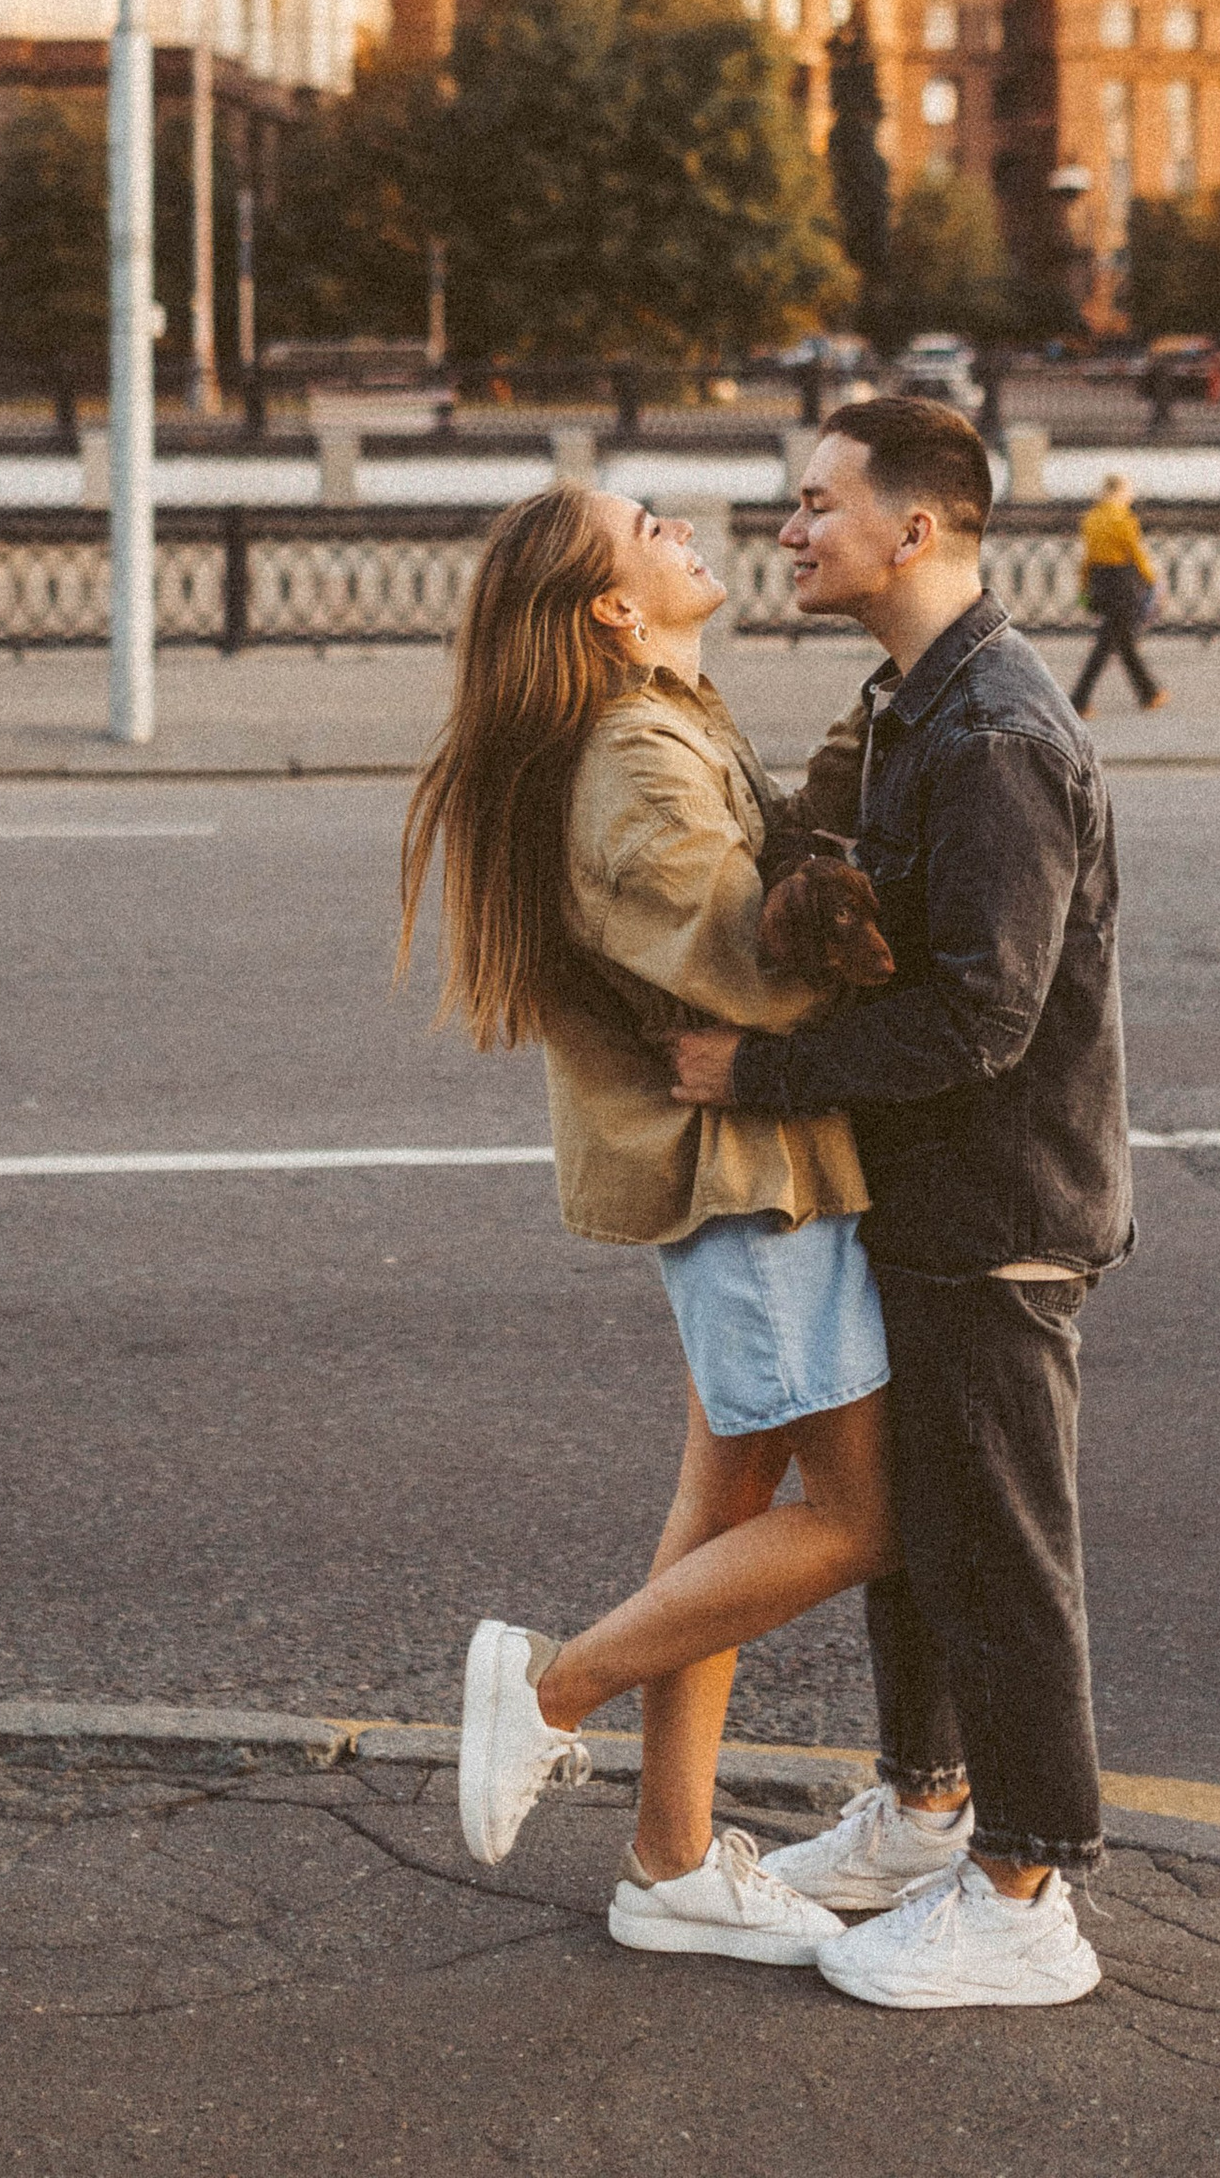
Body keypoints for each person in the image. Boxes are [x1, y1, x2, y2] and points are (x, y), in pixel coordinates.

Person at [671, 397, 1130, 2011]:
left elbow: (986, 1018)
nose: (789, 529)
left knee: (1000, 1548)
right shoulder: (904, 706)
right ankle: (928, 1811)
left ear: (914, 528)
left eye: (817, 503)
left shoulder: (995, 735)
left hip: (1001, 1205)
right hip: (926, 1196)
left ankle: (1027, 1892)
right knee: (924, 1534)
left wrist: (760, 1073)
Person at [399, 484, 899, 1969]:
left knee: (727, 1519)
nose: (686, 529)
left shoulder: (667, 718)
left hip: (760, 1173)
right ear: (614, 609)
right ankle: (550, 1692)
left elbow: (760, 883)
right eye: (649, 526)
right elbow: (758, 964)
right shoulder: (631, 754)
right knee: (868, 1518)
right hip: (752, 1185)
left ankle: (671, 1862)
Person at [1072, 468, 1167, 715]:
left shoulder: (1091, 519)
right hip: (1123, 582)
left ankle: (1149, 693)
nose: (1131, 495)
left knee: (1121, 640)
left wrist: (1083, 588)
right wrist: (1152, 581)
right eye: (1128, 491)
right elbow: (1137, 555)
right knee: (1107, 644)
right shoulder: (1124, 520)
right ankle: (1078, 700)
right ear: (1118, 492)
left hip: (1100, 582)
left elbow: (1086, 560)